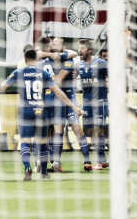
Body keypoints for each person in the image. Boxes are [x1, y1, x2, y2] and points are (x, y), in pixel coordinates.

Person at [0, 48, 83, 181]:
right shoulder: (43, 73)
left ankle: (27, 167)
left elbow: (3, 87)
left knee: (25, 142)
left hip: (25, 112)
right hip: (40, 112)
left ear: (25, 59)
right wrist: (73, 106)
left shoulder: (19, 72)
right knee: (43, 142)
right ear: (37, 59)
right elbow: (58, 92)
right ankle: (43, 173)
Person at [42, 37, 92, 172]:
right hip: (55, 100)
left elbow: (59, 80)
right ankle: (55, 163)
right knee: (55, 130)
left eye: (58, 44)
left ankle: (87, 160)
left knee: (76, 128)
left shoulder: (68, 60)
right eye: (53, 44)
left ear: (64, 47)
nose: (54, 46)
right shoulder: (49, 59)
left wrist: (46, 79)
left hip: (69, 98)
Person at [74, 39, 109, 170]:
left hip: (100, 101)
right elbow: (71, 78)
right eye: (79, 48)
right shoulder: (78, 65)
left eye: (82, 48)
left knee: (99, 129)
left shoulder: (101, 63)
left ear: (89, 50)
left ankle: (98, 161)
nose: (79, 50)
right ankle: (103, 158)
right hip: (86, 102)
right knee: (90, 131)